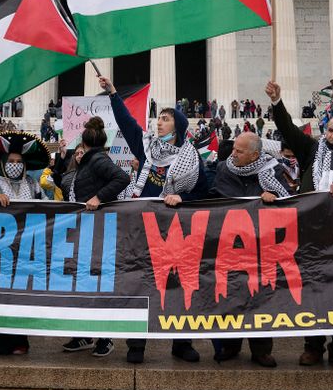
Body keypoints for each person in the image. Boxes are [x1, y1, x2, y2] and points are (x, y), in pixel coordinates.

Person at [99, 75, 202, 365]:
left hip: (176, 232)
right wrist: (113, 94)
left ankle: (182, 343)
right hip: (142, 231)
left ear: (178, 127)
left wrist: (184, 200)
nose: (159, 123)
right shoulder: (146, 150)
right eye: (159, 119)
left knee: (179, 288)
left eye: (166, 119)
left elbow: (207, 193)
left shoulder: (192, 160)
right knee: (139, 284)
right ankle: (136, 345)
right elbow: (129, 125)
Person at [263, 81, 333, 368]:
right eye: (330, 129)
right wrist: (277, 101)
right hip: (311, 233)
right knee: (314, 290)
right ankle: (313, 346)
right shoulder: (311, 150)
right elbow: (289, 130)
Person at [211, 131, 292, 367]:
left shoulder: (273, 171)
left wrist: (273, 195)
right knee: (230, 295)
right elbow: (211, 196)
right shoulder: (223, 169)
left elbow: (289, 199)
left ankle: (261, 350)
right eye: (234, 148)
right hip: (230, 244)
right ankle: (230, 345)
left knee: (261, 298)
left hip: (261, 246)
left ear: (255, 155)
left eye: (239, 151)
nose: (232, 154)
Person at [0, 131, 53, 355]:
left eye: (19, 162)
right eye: (11, 161)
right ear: (3, 163)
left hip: (21, 251)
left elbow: (47, 206)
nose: (15, 165)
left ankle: (19, 341)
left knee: (17, 297)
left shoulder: (32, 184)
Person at [60, 117, 131, 358]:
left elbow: (123, 178)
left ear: (85, 142)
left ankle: (104, 338)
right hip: (89, 231)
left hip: (99, 231)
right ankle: (85, 334)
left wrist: (99, 198)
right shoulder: (91, 161)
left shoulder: (98, 159)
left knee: (97, 284)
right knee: (85, 284)